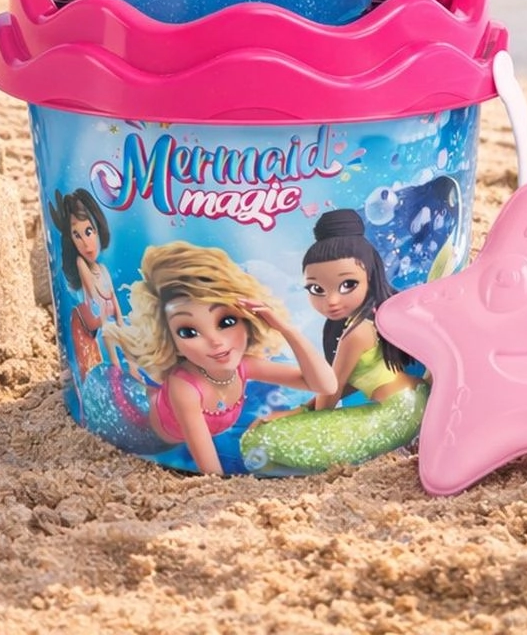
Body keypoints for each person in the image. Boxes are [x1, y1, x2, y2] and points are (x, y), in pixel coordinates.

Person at [102, 241, 337, 476]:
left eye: (226, 322)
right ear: (172, 341)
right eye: (188, 332)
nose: (215, 341)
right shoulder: (184, 388)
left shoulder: (243, 366)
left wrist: (286, 329)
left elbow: (326, 385)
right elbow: (211, 473)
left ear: (248, 321)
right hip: (138, 427)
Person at [241, 208, 427, 472]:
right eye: (316, 289)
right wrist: (302, 410)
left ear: (370, 276)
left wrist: (300, 415)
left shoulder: (357, 332)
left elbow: (331, 391)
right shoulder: (370, 319)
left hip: (395, 415)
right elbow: (346, 384)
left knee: (259, 439)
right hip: (415, 399)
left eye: (348, 284)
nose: (332, 300)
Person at [48, 187, 120, 379]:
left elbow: (110, 297)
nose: (86, 244)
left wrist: (118, 318)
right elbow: (94, 297)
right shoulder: (81, 263)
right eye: (76, 235)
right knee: (92, 368)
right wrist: (107, 312)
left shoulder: (102, 269)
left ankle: (118, 373)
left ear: (98, 229)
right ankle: (110, 376)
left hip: (97, 320)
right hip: (85, 323)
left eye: (89, 231)